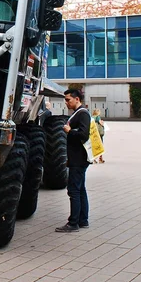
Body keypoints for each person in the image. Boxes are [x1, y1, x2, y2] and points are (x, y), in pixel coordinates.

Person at [55, 89, 91, 233]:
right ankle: (83, 220)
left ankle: (73, 223)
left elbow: (84, 134)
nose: (66, 102)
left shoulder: (82, 114)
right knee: (80, 189)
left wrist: (69, 131)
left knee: (74, 190)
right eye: (65, 99)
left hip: (78, 159)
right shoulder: (80, 113)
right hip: (78, 158)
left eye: (68, 99)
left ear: (77, 99)